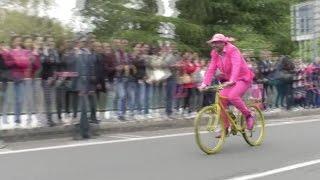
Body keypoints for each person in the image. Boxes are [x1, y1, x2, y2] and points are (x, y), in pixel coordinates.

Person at [198, 33, 255, 135]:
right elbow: (211, 69)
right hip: (229, 80)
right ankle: (225, 127)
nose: (214, 45)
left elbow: (236, 65)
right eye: (213, 43)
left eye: (217, 43)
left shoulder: (232, 50)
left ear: (224, 43)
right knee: (220, 99)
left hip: (242, 78)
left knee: (233, 97)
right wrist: (204, 84)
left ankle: (248, 115)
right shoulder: (214, 53)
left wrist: (233, 79)